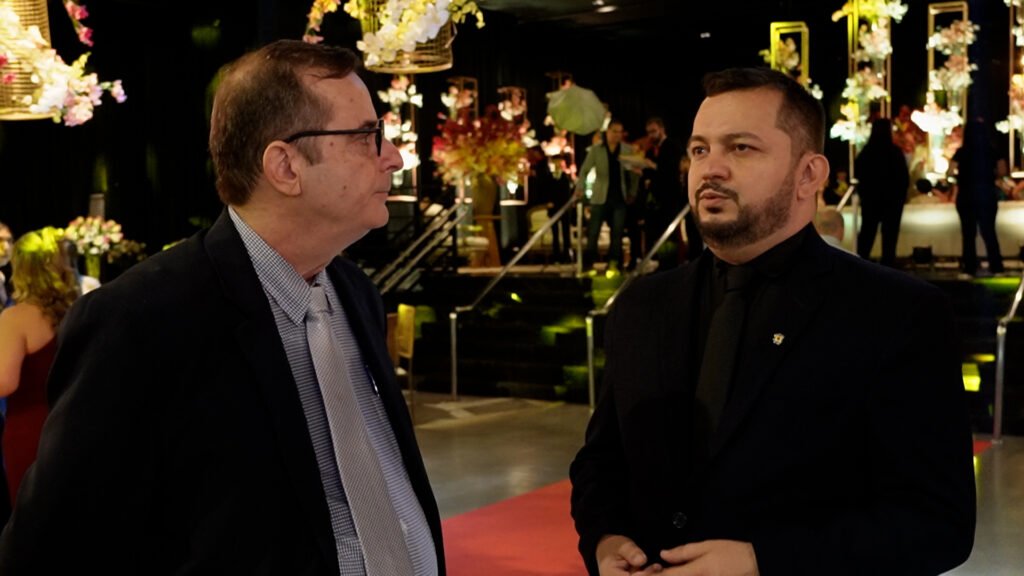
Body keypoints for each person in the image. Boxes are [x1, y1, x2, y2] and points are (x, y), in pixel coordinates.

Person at [0, 40, 445, 575]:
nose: (393, 156)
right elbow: (51, 551)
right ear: (285, 166)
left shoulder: (355, 292)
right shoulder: (140, 321)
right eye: (367, 136)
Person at [570, 67, 975, 576]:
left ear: (809, 175)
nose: (710, 169)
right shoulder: (641, 305)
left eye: (741, 148)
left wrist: (763, 560)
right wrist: (606, 540)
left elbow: (938, 523)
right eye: (700, 150)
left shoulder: (898, 314)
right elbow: (602, 460)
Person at [0, 227, 79, 506]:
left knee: (33, 515)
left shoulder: (16, 317)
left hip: (32, 430)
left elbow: (4, 382)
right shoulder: (77, 308)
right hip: (73, 424)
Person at [577, 120, 640, 270]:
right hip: (600, 196)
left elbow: (634, 173)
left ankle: (614, 263)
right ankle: (589, 264)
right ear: (608, 132)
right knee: (593, 232)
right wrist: (580, 187)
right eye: (614, 131)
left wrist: (632, 192)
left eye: (620, 132)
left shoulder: (626, 149)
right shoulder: (596, 149)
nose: (617, 135)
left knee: (617, 232)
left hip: (619, 197)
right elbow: (585, 170)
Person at [950, 119, 1004, 276]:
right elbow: (1002, 171)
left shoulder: (962, 152)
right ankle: (996, 266)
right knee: (989, 232)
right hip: (987, 194)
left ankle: (969, 267)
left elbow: (950, 171)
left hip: (966, 195)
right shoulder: (992, 150)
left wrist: (961, 176)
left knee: (968, 234)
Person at [855, 118, 910, 267]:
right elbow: (904, 178)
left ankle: (860, 266)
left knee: (867, 233)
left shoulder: (866, 153)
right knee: (890, 237)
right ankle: (887, 267)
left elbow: (858, 175)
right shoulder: (895, 153)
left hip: (871, 201)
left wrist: (864, 194)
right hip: (892, 202)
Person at [642, 117, 695, 270]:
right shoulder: (651, 150)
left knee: (671, 232)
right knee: (658, 232)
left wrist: (653, 166)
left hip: (671, 198)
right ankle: (662, 261)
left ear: (662, 129)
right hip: (656, 199)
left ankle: (672, 263)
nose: (651, 135)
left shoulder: (672, 146)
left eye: (654, 131)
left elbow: (671, 171)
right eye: (648, 132)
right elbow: (648, 173)